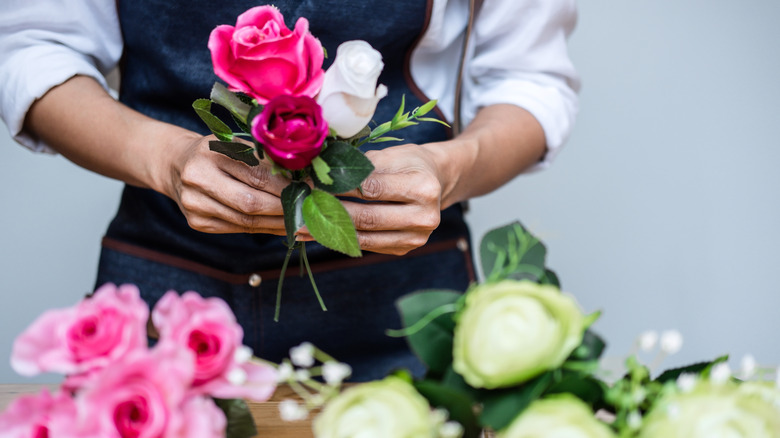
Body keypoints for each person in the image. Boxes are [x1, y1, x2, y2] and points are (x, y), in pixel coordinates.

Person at [0, 0, 579, 380]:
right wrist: (163, 157)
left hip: (406, 307)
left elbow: (528, 81)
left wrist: (451, 167)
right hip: (164, 292)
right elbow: (34, 48)